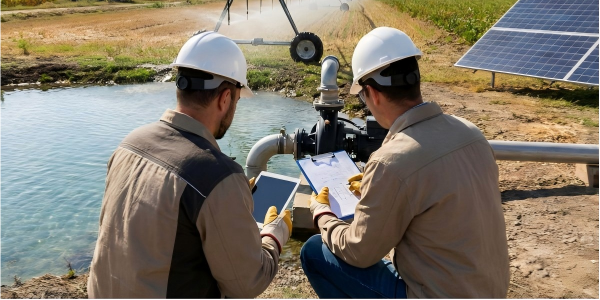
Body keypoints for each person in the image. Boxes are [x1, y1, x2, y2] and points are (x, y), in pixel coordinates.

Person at [301, 27, 510, 299]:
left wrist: (323, 215)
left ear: (372, 94)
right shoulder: (472, 134)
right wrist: (376, 188)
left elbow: (359, 252)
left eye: (363, 96)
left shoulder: (391, 163)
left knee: (315, 251)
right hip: (488, 290)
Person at [88, 31, 292, 298]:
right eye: (237, 101)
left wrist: (228, 198)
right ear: (225, 98)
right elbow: (247, 284)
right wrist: (274, 237)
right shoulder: (217, 176)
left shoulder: (129, 144)